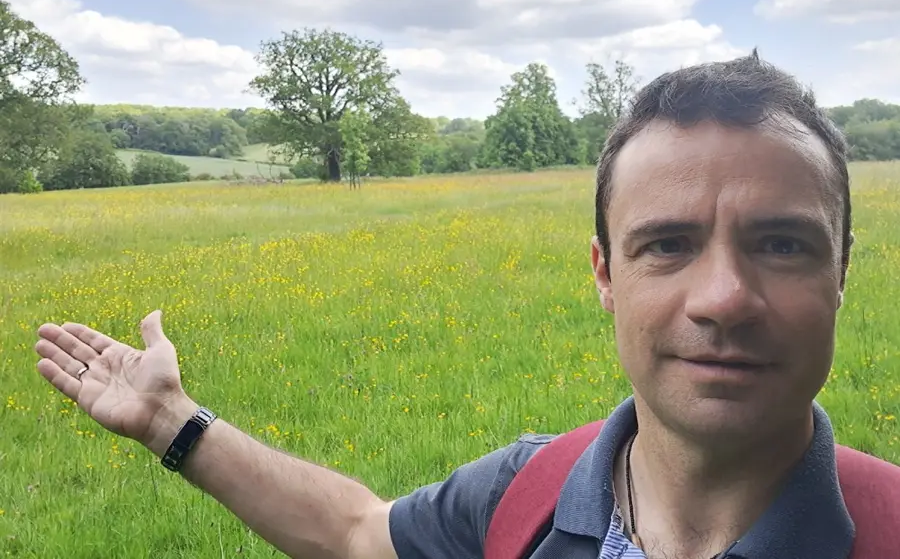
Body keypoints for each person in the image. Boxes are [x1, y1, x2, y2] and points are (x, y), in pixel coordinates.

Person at [34, 51, 899, 559]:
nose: (723, 297)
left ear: (841, 270)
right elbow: (357, 533)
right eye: (667, 243)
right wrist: (171, 421)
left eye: (781, 243)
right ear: (604, 273)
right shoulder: (526, 494)